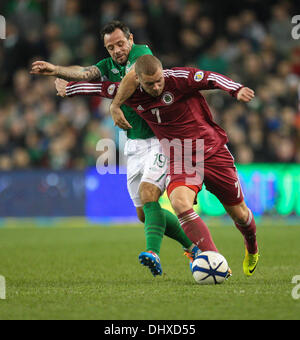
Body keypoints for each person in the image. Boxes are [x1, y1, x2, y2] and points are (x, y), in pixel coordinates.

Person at [57, 55, 259, 277]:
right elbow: (100, 88)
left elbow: (210, 78)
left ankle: (252, 247)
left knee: (240, 214)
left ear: (163, 73)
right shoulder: (131, 93)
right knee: (180, 203)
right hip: (180, 156)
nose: (156, 87)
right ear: (138, 81)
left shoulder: (180, 78)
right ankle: (214, 259)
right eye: (149, 84)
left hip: (210, 150)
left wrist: (236, 89)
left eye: (158, 81)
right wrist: (66, 85)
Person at [30, 21, 202, 277]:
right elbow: (87, 72)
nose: (117, 50)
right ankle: (192, 248)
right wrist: (57, 71)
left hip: (160, 139)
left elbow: (132, 78)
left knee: (148, 194)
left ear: (130, 39)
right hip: (132, 143)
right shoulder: (109, 65)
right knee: (145, 214)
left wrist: (114, 105)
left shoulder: (142, 56)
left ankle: (152, 252)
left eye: (120, 43)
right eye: (110, 47)